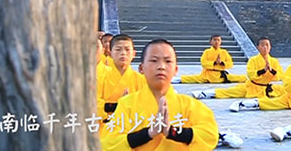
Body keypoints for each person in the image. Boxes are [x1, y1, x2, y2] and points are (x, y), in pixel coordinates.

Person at [101, 39, 243, 150]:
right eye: (154, 60)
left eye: (167, 61)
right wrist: (148, 134)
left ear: (175, 70)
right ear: (141, 68)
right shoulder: (127, 105)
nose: (161, 66)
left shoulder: (190, 106)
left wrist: (173, 132)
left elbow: (210, 135)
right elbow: (109, 143)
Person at [191, 37, 285, 99]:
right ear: (258, 47)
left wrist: (271, 71)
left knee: (285, 91)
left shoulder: (274, 61)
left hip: (265, 87)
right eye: (262, 45)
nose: (265, 47)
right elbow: (251, 75)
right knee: (230, 92)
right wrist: (215, 63)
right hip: (251, 86)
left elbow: (280, 76)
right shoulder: (253, 60)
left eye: (267, 45)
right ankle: (205, 93)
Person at [97, 34, 146, 135]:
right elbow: (93, 105)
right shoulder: (100, 75)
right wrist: (120, 105)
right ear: (110, 52)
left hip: (133, 130)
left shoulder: (142, 80)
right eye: (118, 49)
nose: (123, 53)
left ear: (134, 54)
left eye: (127, 50)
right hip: (105, 129)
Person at [172, 35, 246, 84]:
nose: (217, 42)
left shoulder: (224, 52)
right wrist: (214, 63)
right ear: (211, 42)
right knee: (192, 78)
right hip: (208, 75)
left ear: (221, 42)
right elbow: (203, 63)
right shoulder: (207, 52)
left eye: (218, 40)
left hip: (220, 75)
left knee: (240, 77)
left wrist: (222, 63)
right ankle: (176, 79)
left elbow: (230, 63)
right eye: (215, 40)